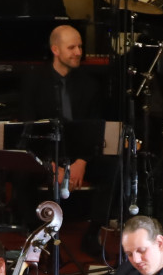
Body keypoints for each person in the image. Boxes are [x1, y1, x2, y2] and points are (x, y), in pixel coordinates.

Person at [16, 26, 103, 196]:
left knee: (113, 168)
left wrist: (81, 163)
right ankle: (33, 214)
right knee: (22, 174)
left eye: (80, 47)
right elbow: (27, 128)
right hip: (45, 154)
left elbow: (95, 129)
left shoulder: (90, 85)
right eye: (71, 48)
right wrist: (51, 166)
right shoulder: (34, 82)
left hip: (77, 154)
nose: (78, 52)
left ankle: (99, 214)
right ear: (55, 50)